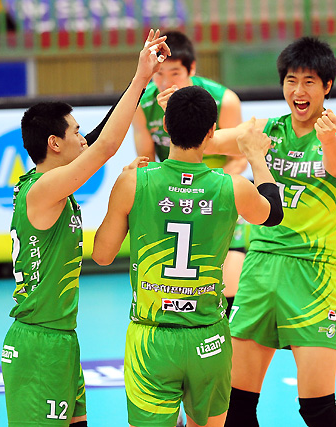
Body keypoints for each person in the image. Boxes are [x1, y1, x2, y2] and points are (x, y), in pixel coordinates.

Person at [175, 36, 336, 427]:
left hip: (312, 273)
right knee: (237, 409)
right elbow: (207, 140)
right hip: (259, 269)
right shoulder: (265, 130)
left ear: (327, 86)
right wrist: (180, 109)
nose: (298, 91)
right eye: (291, 81)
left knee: (319, 411)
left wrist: (327, 139)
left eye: (309, 82)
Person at [1, 29, 170, 427]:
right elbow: (105, 146)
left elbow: (100, 137)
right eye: (75, 132)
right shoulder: (44, 189)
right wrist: (141, 77)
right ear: (54, 143)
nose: (83, 138)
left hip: (62, 338)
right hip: (38, 344)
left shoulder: (52, 182)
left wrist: (141, 81)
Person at [91, 86, 283, 427]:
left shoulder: (134, 182)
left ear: (165, 125)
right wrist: (256, 158)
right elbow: (273, 213)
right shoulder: (232, 186)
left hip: (151, 338)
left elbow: (103, 255)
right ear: (211, 132)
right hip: (207, 336)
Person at [132, 30, 247, 317]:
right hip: (173, 198)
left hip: (215, 196)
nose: (165, 82)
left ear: (191, 69)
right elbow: (146, 161)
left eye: (175, 73)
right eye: (158, 75)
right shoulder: (143, 104)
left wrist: (211, 189)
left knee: (229, 289)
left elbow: (239, 159)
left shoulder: (223, 101)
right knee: (171, 289)